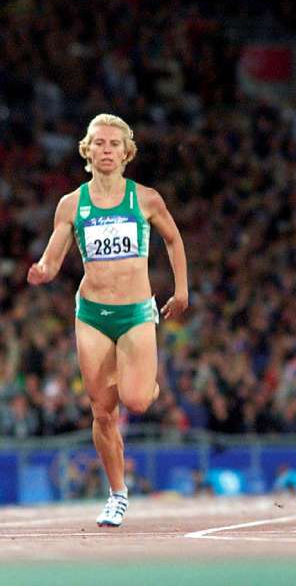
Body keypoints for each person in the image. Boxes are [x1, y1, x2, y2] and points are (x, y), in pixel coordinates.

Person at [28, 113, 189, 526]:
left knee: (135, 400)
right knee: (102, 412)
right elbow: (52, 256)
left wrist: (182, 289)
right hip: (93, 315)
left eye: (114, 144)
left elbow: (173, 239)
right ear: (87, 150)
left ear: (126, 153)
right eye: (98, 143)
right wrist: (43, 270)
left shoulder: (146, 199)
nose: (106, 150)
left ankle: (145, 380)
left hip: (136, 312)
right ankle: (117, 493)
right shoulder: (72, 204)